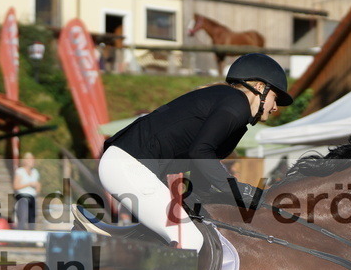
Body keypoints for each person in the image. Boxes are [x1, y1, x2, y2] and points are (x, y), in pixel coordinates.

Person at [98, 53, 292, 251]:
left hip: (130, 165)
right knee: (190, 240)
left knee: (198, 231)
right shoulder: (237, 104)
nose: (275, 107)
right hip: (128, 166)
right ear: (260, 87)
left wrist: (216, 198)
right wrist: (239, 191)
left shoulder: (233, 108)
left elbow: (200, 164)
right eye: (275, 98)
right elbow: (200, 152)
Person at [13, 151, 41, 230]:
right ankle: (18, 238)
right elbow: (15, 186)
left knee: (32, 219)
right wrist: (29, 184)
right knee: (23, 217)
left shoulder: (35, 172)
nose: (32, 162)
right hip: (23, 197)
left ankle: (31, 239)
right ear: (25, 161)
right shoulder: (20, 171)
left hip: (32, 197)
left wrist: (37, 187)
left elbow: (38, 187)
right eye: (30, 160)